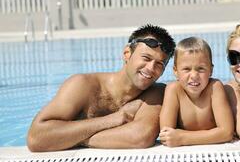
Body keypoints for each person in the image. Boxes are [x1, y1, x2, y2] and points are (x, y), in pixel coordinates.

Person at [27, 24, 176, 151]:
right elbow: (36, 138)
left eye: (159, 64)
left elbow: (140, 137)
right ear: (127, 53)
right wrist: (113, 119)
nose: (151, 68)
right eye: (146, 58)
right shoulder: (82, 85)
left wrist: (73, 138)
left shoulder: (156, 93)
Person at [159, 37, 234, 147]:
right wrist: (213, 135)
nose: (194, 76)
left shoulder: (215, 87)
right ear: (175, 71)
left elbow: (227, 133)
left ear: (211, 70)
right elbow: (166, 135)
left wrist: (182, 138)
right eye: (186, 69)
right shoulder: (173, 90)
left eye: (201, 69)